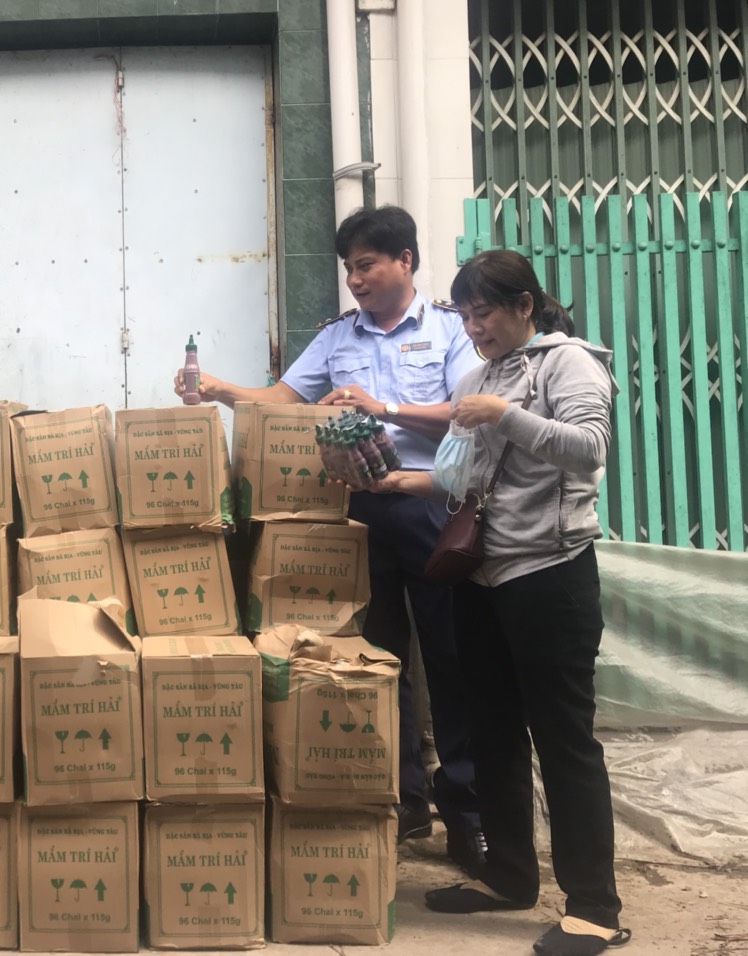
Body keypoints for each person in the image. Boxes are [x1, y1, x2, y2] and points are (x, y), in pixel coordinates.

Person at [178, 205, 486, 874]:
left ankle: (468, 815)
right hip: (359, 514)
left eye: (366, 265)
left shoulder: (448, 332)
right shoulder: (338, 337)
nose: (356, 279)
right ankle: (403, 800)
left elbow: (465, 418)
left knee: (450, 657)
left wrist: (384, 407)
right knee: (377, 657)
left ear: (405, 260)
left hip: (431, 505)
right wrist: (219, 389)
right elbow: (283, 399)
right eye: (349, 268)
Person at [371, 249, 628, 955]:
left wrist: (506, 416)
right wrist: (394, 481)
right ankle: (509, 876)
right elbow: (462, 478)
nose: (473, 327)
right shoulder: (477, 377)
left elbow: (590, 447)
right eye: (464, 315)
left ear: (523, 306)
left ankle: (594, 907)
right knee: (493, 730)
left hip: (550, 574)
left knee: (564, 737)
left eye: (483, 312)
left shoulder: (568, 363)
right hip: (481, 577)